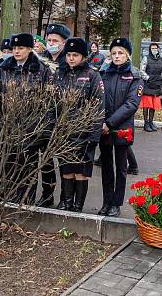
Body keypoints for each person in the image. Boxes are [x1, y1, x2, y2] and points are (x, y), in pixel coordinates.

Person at [0, 33, 54, 204]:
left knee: (27, 167)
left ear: (29, 49)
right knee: (7, 165)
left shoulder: (41, 70)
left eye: (21, 48)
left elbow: (48, 102)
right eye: (14, 48)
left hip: (30, 128)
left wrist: (40, 128)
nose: (17, 51)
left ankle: (24, 201)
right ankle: (6, 200)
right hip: (7, 127)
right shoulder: (3, 68)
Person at [53, 38, 104, 212]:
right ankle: (67, 204)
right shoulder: (60, 73)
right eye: (68, 54)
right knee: (66, 170)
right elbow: (52, 103)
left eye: (75, 55)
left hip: (84, 133)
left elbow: (98, 106)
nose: (71, 58)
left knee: (81, 172)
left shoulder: (92, 75)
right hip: (63, 132)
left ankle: (77, 207)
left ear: (83, 56)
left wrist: (94, 136)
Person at [98, 38, 143, 217]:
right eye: (114, 53)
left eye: (120, 53)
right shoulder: (103, 73)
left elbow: (131, 104)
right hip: (103, 128)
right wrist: (101, 122)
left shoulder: (135, 76)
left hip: (121, 127)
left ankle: (116, 203)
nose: (117, 56)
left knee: (121, 168)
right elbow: (98, 99)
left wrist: (110, 123)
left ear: (128, 55)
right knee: (106, 167)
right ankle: (106, 201)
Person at [140, 43, 162, 132]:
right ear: (150, 49)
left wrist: (160, 78)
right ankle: (146, 123)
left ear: (158, 49)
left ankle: (151, 122)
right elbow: (142, 71)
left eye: (155, 48)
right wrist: (148, 78)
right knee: (146, 105)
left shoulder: (161, 59)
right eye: (152, 48)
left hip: (156, 85)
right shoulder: (146, 58)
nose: (154, 49)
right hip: (148, 85)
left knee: (153, 106)